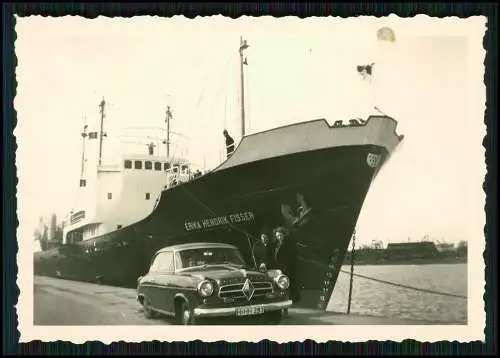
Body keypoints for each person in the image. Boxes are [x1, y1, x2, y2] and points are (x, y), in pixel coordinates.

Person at [273, 226, 300, 303]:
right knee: (283, 282)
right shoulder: (277, 244)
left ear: (284, 235)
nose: (279, 237)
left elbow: (291, 256)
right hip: (280, 267)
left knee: (289, 282)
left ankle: (292, 298)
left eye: (280, 235)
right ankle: (287, 298)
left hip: (287, 266)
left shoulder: (288, 244)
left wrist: (286, 266)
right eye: (277, 236)